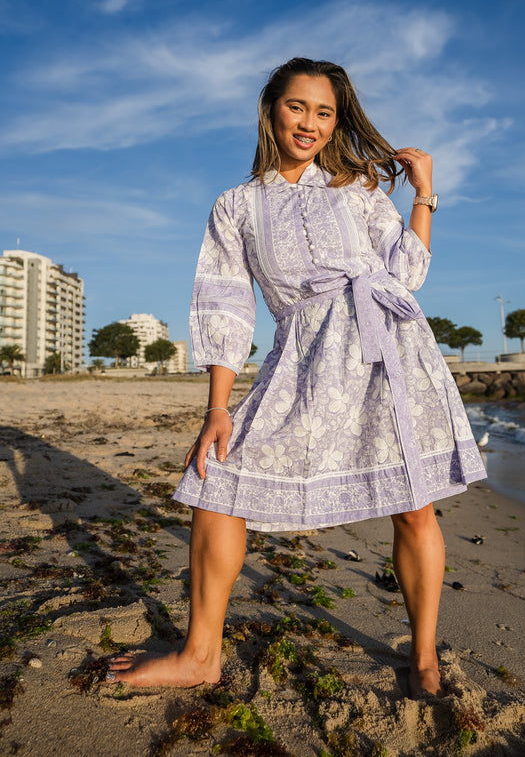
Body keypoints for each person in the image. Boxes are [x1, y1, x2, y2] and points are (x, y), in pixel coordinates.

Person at [107, 57, 486, 697]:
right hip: (303, 357)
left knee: (413, 507)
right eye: (297, 107)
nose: (309, 123)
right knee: (216, 480)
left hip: (389, 348)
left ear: (337, 122)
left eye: (324, 112)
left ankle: (424, 657)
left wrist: (423, 193)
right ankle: (200, 656)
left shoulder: (357, 188)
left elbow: (408, 274)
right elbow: (226, 305)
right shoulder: (236, 206)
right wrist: (217, 408)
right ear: (271, 110)